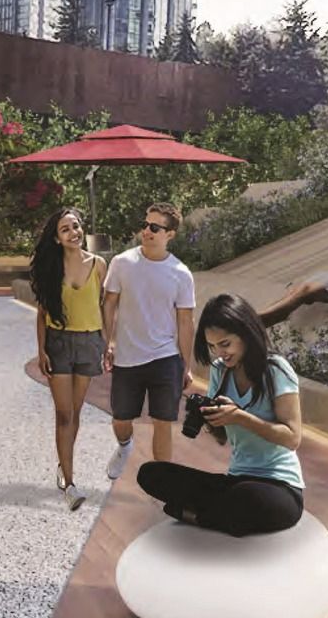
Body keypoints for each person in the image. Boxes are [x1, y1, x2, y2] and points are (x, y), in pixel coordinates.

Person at [137, 294, 306, 536]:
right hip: (236, 479)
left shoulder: (276, 370)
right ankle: (217, 515)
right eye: (212, 346)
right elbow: (222, 437)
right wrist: (209, 416)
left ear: (246, 333)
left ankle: (196, 514)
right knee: (151, 473)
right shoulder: (220, 370)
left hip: (280, 487)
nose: (219, 354)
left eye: (225, 344)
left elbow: (292, 438)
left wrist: (240, 417)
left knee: (245, 498)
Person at [102, 202, 199, 482]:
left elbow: (185, 322)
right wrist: (108, 341)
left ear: (170, 234)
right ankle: (124, 446)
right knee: (120, 419)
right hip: (127, 356)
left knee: (163, 422)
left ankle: (163, 482)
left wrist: (186, 364)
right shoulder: (121, 263)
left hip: (165, 357)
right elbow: (109, 303)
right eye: (145, 224)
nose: (147, 231)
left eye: (155, 227)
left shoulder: (181, 274)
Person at [30, 207, 108, 508]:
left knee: (75, 413)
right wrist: (41, 350)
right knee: (64, 414)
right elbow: (41, 314)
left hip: (89, 342)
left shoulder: (100, 265)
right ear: (57, 238)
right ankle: (71, 485)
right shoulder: (51, 269)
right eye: (65, 229)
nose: (73, 233)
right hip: (58, 343)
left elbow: (106, 306)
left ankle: (64, 465)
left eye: (75, 226)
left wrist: (108, 342)